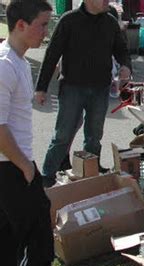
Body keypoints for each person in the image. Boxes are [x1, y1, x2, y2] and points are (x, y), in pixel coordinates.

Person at [35, 0, 132, 188]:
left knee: (94, 135)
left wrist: (126, 65)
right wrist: (41, 87)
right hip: (72, 87)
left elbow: (121, 49)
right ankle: (47, 177)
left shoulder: (110, 22)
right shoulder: (69, 20)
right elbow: (52, 54)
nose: (107, 2)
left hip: (100, 88)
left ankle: (90, 172)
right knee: (62, 135)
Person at [0, 0, 54, 266]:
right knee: (38, 245)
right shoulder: (4, 64)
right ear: (21, 25)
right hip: (11, 168)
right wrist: (25, 166)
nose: (46, 31)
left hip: (15, 165)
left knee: (8, 243)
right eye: (43, 24)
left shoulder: (18, 61)